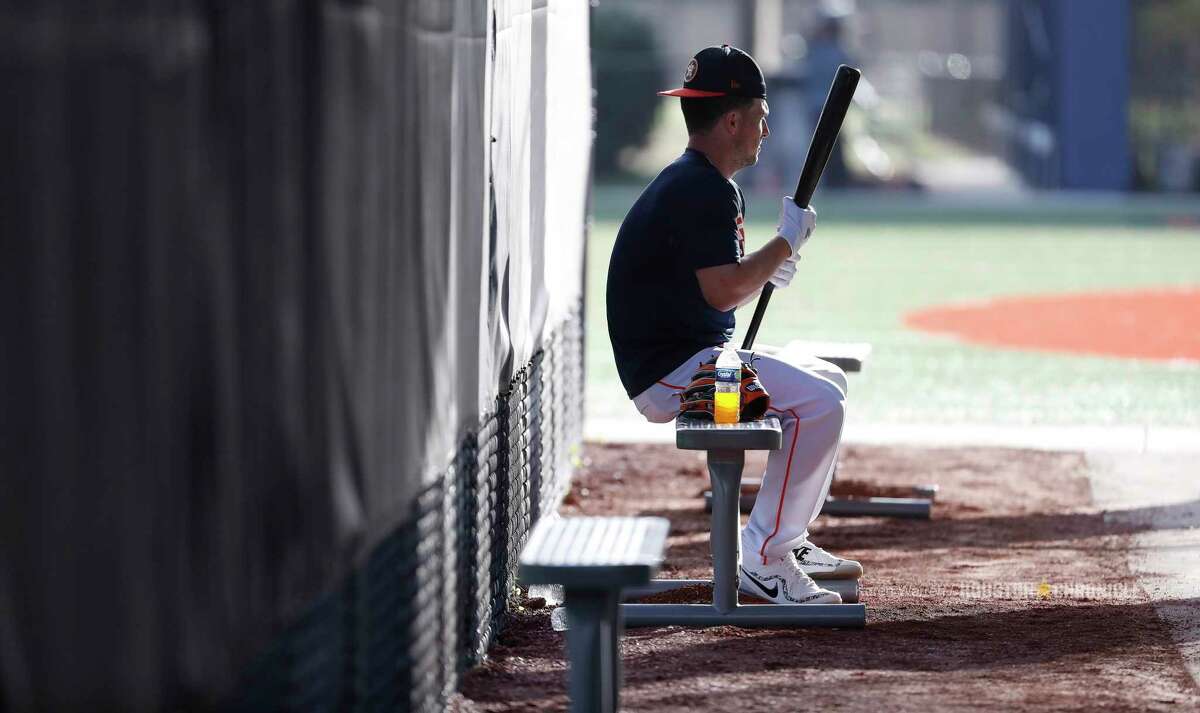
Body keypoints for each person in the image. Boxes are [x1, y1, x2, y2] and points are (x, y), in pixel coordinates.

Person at [605, 45, 862, 606]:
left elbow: (724, 289)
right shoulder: (701, 189)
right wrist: (786, 243)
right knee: (819, 402)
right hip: (676, 381)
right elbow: (725, 290)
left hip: (689, 365)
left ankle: (786, 540)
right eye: (762, 118)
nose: (765, 130)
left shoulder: (697, 181)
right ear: (731, 120)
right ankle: (766, 558)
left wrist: (770, 262)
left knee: (828, 381)